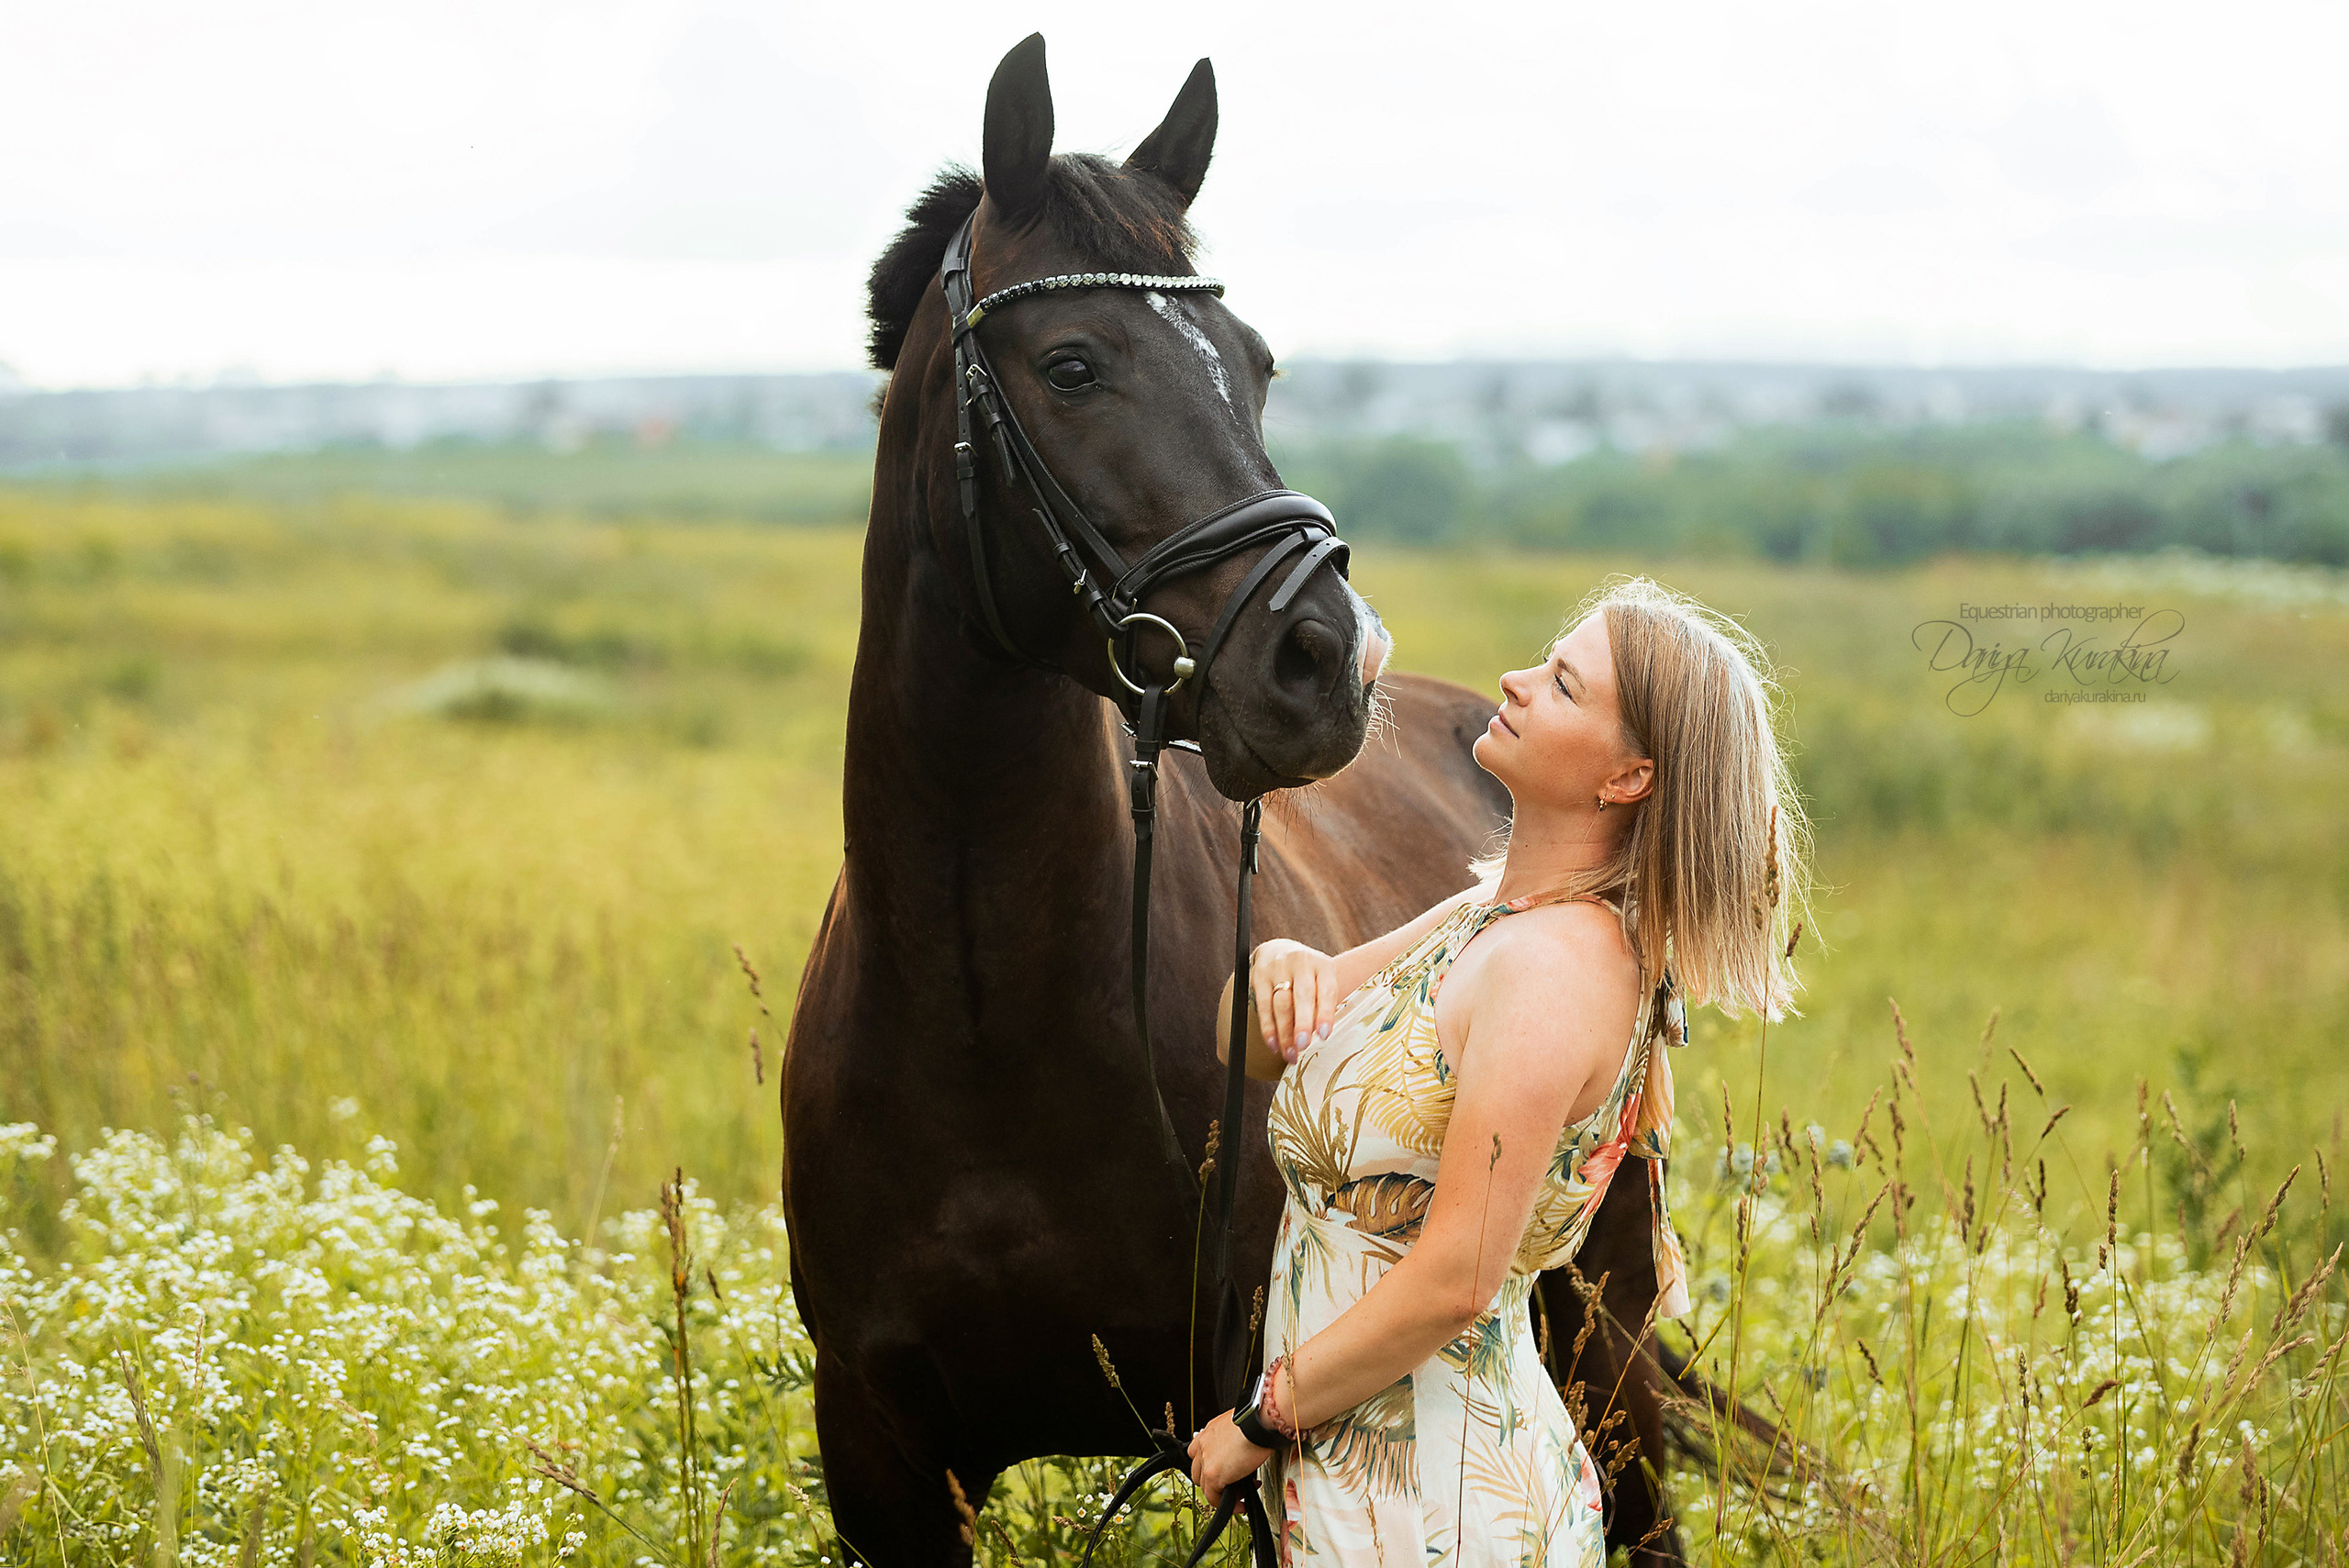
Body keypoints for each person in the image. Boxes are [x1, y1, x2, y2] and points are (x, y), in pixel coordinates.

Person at [1186, 574, 1813, 1564]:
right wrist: (1275, 967)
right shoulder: (1480, 918)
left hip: (1442, 1505)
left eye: (1562, 685)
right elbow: (1242, 1045)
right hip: (1365, 1477)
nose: (1513, 682)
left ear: (1627, 779)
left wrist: (1260, 1417)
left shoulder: (1553, 973)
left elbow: (1457, 1276)